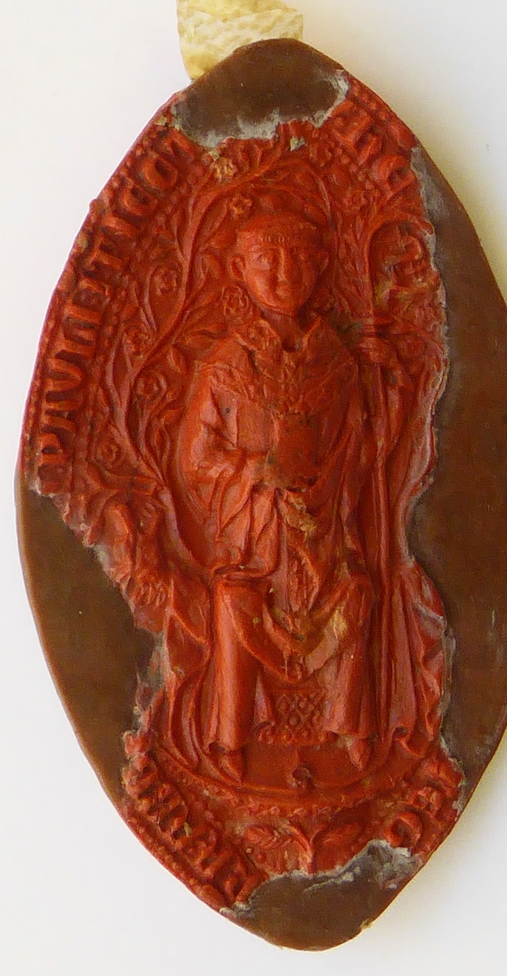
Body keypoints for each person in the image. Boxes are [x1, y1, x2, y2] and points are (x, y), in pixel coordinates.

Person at [175, 212, 377, 780]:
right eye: (267, 261)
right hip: (255, 543)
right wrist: (257, 471)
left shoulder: (336, 363)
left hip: (320, 538)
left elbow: (358, 452)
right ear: (240, 269)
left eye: (298, 261)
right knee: (234, 603)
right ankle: (230, 737)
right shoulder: (225, 364)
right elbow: (195, 459)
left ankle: (353, 727)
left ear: (319, 266)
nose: (284, 274)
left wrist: (324, 485)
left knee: (356, 596)